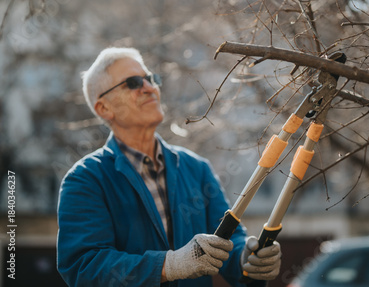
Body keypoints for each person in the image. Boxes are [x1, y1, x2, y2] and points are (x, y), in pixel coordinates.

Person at [57, 47, 281, 287]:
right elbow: (85, 267)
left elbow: (227, 240)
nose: (150, 88)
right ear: (104, 108)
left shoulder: (197, 169)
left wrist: (247, 260)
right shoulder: (85, 180)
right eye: (133, 83)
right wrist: (169, 265)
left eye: (151, 79)